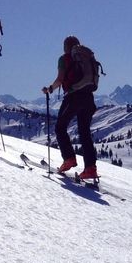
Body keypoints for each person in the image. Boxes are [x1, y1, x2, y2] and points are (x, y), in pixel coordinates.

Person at [42, 35, 98, 180]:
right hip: (89, 97)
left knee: (60, 127)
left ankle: (69, 158)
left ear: (66, 47)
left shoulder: (65, 58)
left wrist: (50, 89)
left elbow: (60, 79)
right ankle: (90, 168)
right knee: (84, 132)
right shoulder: (86, 57)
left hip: (74, 97)